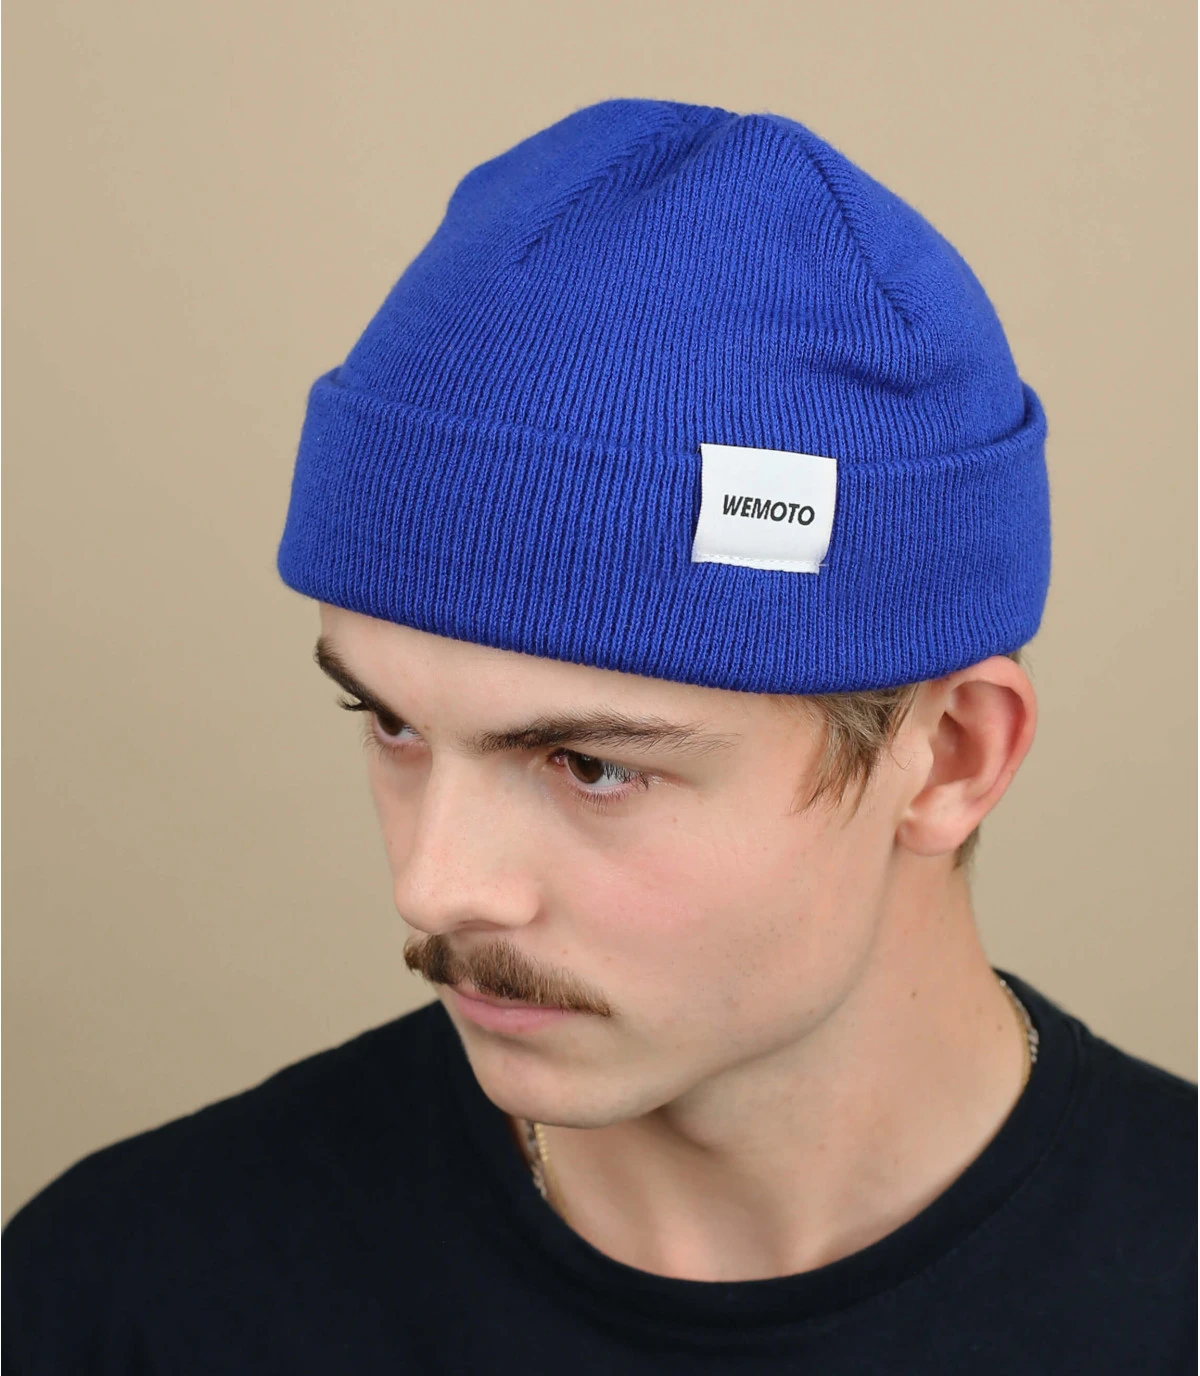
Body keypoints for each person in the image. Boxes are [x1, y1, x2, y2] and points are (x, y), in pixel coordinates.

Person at [4, 97, 1195, 1374]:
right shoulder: (126, 1296)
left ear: (953, 756)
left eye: (592, 765)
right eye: (392, 723)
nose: (435, 886)